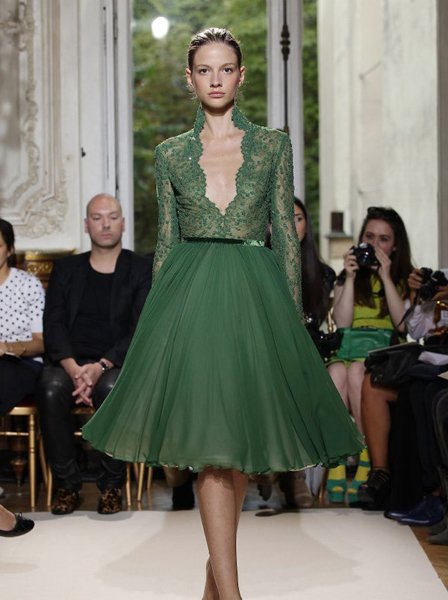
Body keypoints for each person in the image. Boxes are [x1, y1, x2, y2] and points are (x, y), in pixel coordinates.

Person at [83, 29, 363, 599]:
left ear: (241, 76)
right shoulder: (169, 154)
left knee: (234, 446)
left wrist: (289, 324)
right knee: (214, 447)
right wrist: (158, 329)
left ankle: (216, 589)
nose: (215, 79)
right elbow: (166, 243)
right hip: (189, 302)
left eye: (226, 68)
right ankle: (231, 595)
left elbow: (286, 240)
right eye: (204, 70)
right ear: (190, 79)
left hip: (256, 301)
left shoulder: (273, 147)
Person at [36, 193, 152, 515]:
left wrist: (101, 365)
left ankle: (111, 486)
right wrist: (73, 368)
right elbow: (53, 323)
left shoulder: (140, 269)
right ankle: (67, 486)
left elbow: (141, 329)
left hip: (115, 362)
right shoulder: (67, 269)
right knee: (49, 388)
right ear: (86, 224)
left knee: (112, 388)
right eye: (98, 218)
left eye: (112, 217)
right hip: (69, 362)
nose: (106, 224)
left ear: (123, 223)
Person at [326, 207, 413, 504]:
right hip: (349, 348)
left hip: (381, 354)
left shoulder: (404, 278)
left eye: (384, 239)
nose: (375, 245)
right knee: (336, 372)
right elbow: (342, 322)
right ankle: (339, 457)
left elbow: (403, 325)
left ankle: (366, 456)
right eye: (369, 237)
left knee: (356, 372)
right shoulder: (348, 276)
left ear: (396, 245)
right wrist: (350, 278)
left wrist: (386, 277)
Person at [262, 199, 336, 508]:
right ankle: (270, 464)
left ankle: (290, 474)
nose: (290, 225)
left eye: (297, 218)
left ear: (307, 223)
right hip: (266, 347)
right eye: (281, 218)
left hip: (307, 349)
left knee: (296, 377)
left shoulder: (324, 273)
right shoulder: (261, 265)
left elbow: (321, 320)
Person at [359, 267, 448, 513]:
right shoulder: (440, 278)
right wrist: (417, 295)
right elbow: (416, 331)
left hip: (439, 369)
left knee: (422, 392)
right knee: (373, 382)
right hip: (433, 357)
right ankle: (380, 474)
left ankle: (433, 489)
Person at [0, 218, 45, 415]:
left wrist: (7, 347)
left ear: (9, 250)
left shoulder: (28, 284)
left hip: (23, 362)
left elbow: (41, 343)